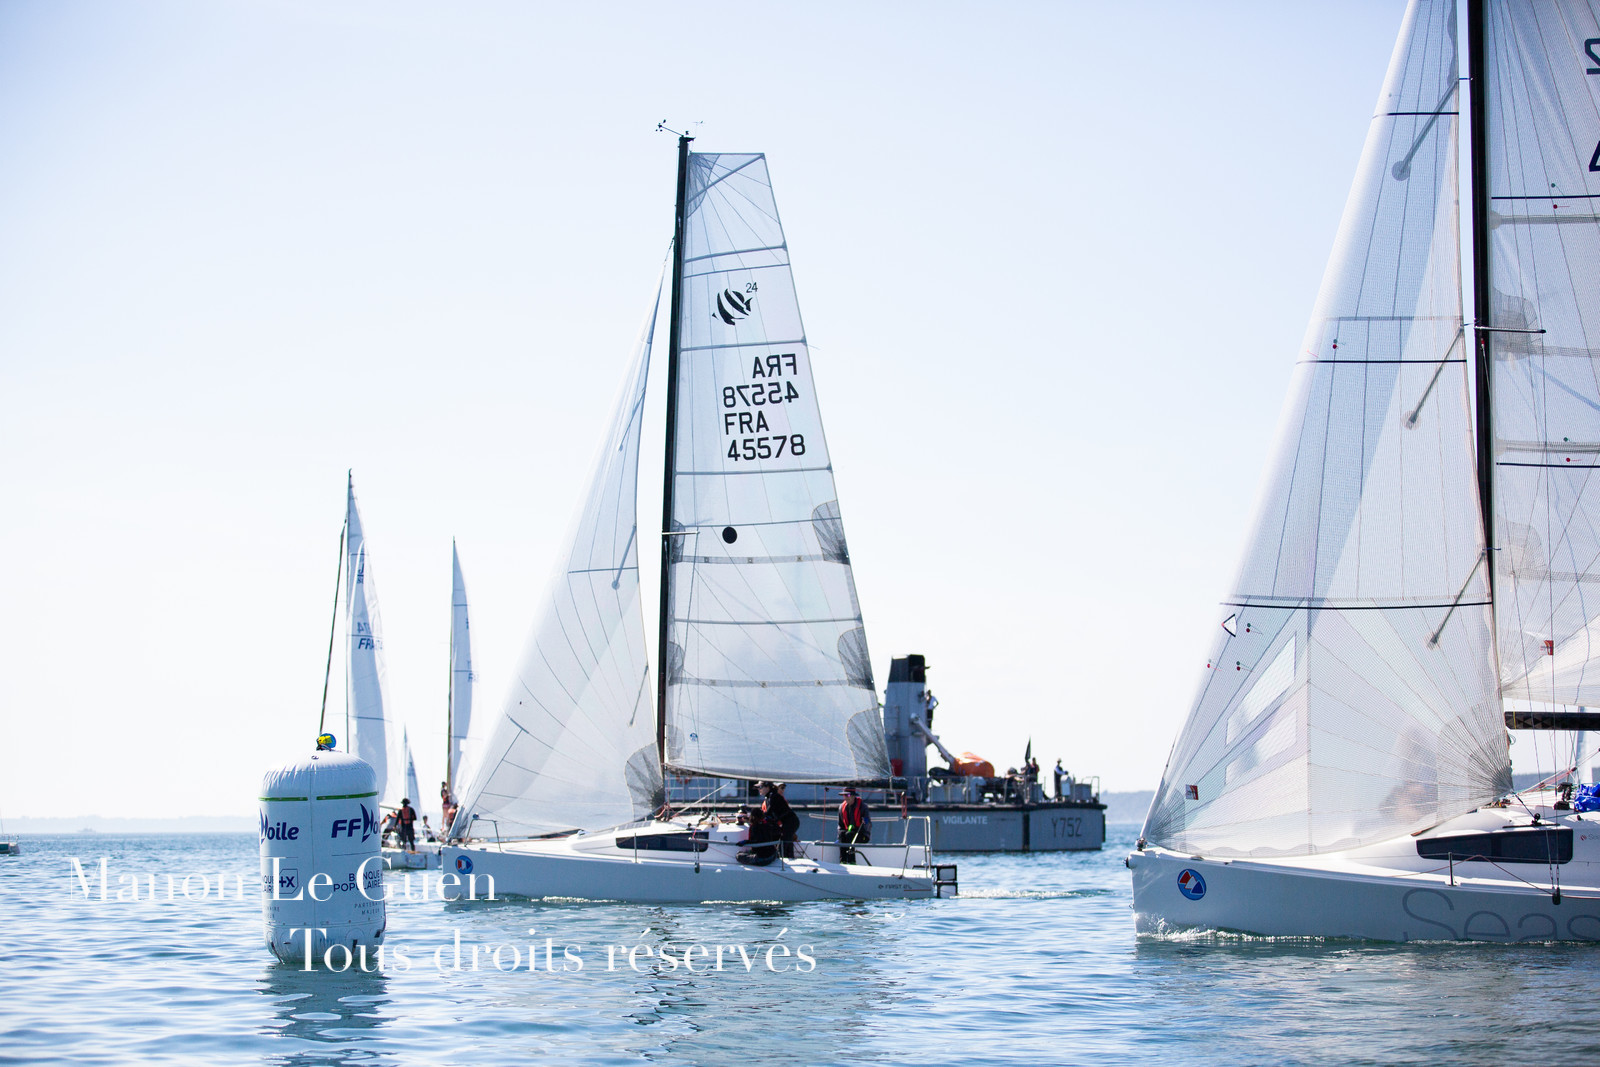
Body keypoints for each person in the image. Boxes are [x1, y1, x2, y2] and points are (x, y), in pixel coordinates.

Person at [759, 780, 801, 859]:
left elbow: (770, 812)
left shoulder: (774, 796)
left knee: (784, 841)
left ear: (768, 787)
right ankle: (788, 858)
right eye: (780, 788)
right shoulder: (770, 797)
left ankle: (785, 860)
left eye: (761, 787)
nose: (759, 789)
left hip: (790, 822)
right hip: (787, 822)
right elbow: (770, 813)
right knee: (785, 839)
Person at [838, 786, 871, 863]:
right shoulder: (841, 807)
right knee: (842, 835)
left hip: (862, 835)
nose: (846, 797)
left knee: (849, 835)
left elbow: (867, 823)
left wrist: (863, 822)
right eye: (844, 795)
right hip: (847, 833)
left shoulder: (863, 807)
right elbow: (840, 826)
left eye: (848, 795)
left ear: (853, 796)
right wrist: (840, 834)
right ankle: (843, 861)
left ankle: (852, 861)